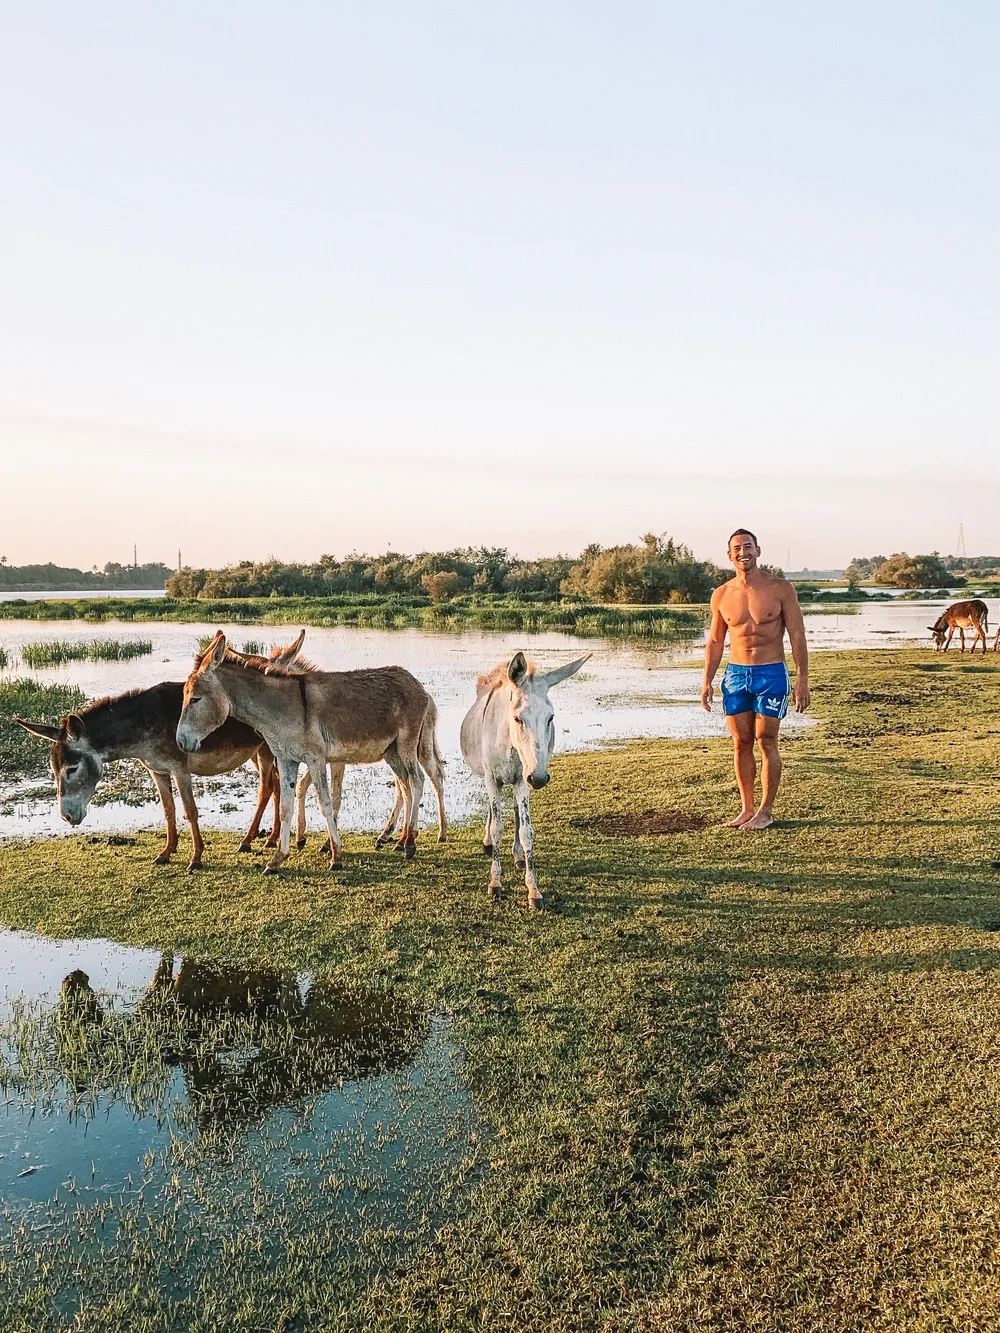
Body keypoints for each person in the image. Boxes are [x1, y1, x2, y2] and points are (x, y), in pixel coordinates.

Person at [701, 529, 810, 830]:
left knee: (767, 740)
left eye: (747, 546)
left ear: (758, 551)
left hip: (771, 673)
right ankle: (747, 808)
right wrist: (707, 680)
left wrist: (802, 678)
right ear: (729, 555)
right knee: (741, 742)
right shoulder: (721, 594)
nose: (742, 552)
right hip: (736, 675)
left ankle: (766, 810)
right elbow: (715, 641)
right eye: (736, 548)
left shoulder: (780, 588)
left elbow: (797, 634)